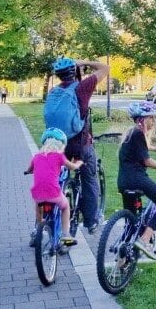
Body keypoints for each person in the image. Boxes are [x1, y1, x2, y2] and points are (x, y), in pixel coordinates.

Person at [50, 56, 109, 234]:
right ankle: (90, 221)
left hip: (56, 144)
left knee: (55, 180)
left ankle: (44, 222)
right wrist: (84, 62)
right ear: (75, 71)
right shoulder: (82, 87)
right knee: (89, 178)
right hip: (79, 145)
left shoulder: (54, 92)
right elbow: (105, 68)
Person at [118, 101, 156, 260]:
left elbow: (141, 148)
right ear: (141, 119)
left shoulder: (132, 133)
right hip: (137, 179)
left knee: (131, 223)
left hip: (123, 181)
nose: (153, 121)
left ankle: (122, 259)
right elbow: (147, 162)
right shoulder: (138, 134)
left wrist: (155, 148)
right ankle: (144, 240)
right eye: (150, 118)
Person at [26, 127, 83, 247]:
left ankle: (38, 229)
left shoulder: (37, 157)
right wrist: (78, 163)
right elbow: (72, 167)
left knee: (38, 207)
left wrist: (28, 171)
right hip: (53, 194)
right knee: (65, 207)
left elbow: (29, 169)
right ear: (61, 145)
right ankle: (66, 235)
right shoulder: (59, 157)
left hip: (38, 195)